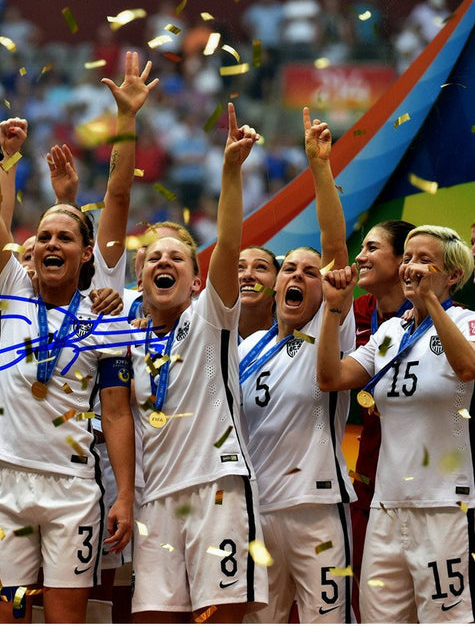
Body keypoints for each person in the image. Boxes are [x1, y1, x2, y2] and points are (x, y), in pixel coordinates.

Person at [0, 135, 136, 622]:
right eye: (43, 237)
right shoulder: (12, 290)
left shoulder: (105, 316)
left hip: (73, 485)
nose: (50, 245)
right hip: (4, 478)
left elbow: (117, 410)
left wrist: (124, 495)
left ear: (86, 255)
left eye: (64, 238)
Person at [130, 103, 267, 623]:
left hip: (217, 485)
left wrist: (230, 170)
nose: (163, 262)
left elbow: (228, 246)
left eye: (178, 259)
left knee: (222, 615)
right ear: (140, 281)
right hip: (156, 495)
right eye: (154, 259)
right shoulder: (127, 336)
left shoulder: (211, 319)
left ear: (195, 281)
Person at [316, 225, 475, 623]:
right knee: (379, 619)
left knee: (446, 618)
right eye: (407, 258)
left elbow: (467, 367)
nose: (411, 267)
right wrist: (333, 309)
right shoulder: (389, 331)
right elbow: (330, 378)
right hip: (386, 507)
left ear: (452, 275)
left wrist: (431, 305)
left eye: (424, 260)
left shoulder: (467, 320)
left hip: (442, 504)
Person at [239, 109, 355, 624]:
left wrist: (320, 168)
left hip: (317, 506)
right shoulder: (243, 351)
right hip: (257, 511)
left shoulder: (329, 329)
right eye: (290, 268)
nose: (300, 276)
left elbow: (334, 250)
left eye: (310, 273)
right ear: (274, 282)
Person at [347, 219, 414, 619]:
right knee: (372, 603)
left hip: (425, 483)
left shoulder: (434, 316)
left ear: (402, 259)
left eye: (372, 248)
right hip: (370, 475)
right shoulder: (357, 311)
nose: (360, 257)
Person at [237, 246, 280, 341]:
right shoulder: (208, 333)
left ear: (277, 283)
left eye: (261, 267)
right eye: (240, 267)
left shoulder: (302, 339)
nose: (247, 275)